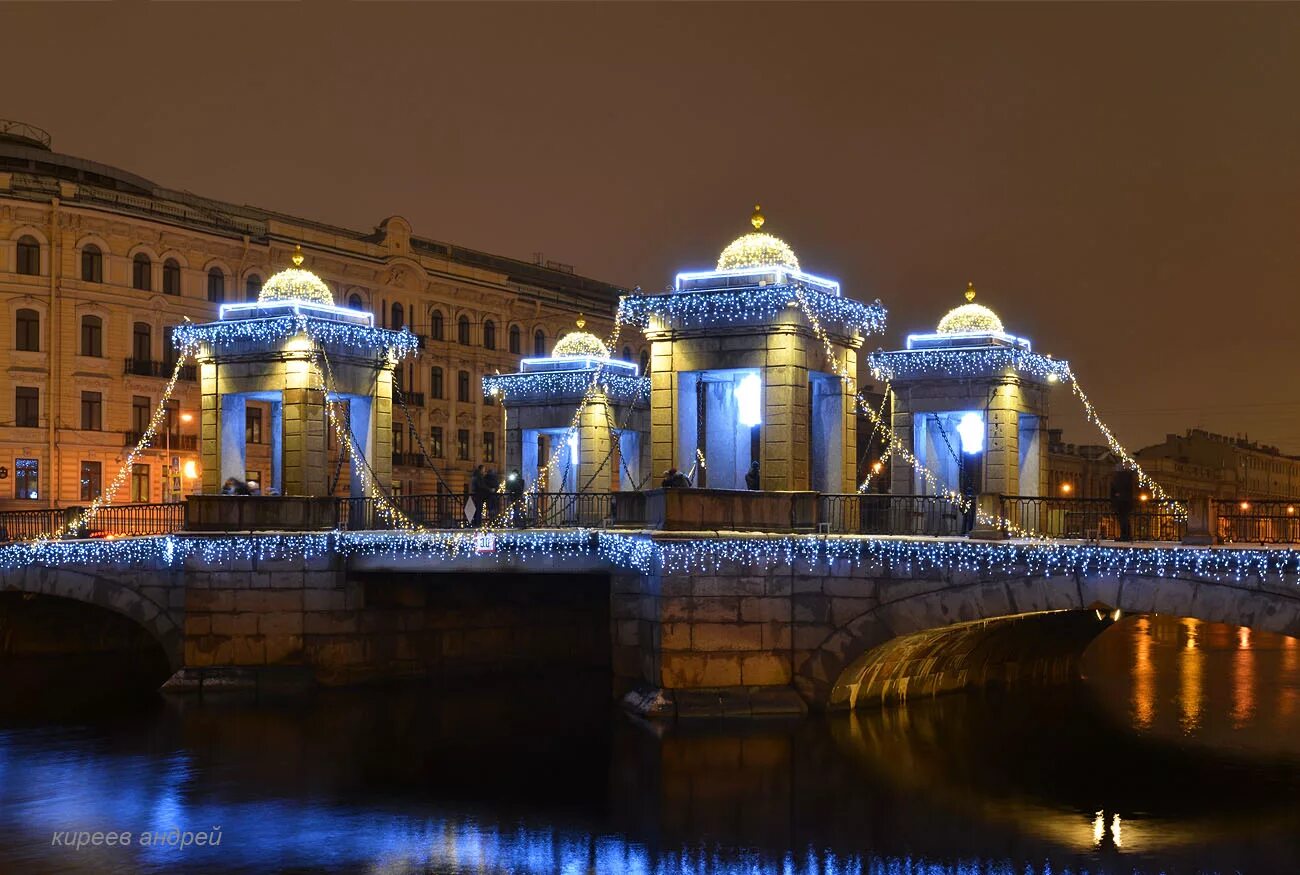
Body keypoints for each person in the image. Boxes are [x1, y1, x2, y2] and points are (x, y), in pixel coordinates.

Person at [1110, 465, 1137, 541]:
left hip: (1121, 502)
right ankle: (1127, 535)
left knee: (1123, 520)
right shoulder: (1128, 477)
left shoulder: (1118, 479)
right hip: (1127, 502)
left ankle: (1124, 536)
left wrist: (1116, 496)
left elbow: (1115, 490)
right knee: (1125, 519)